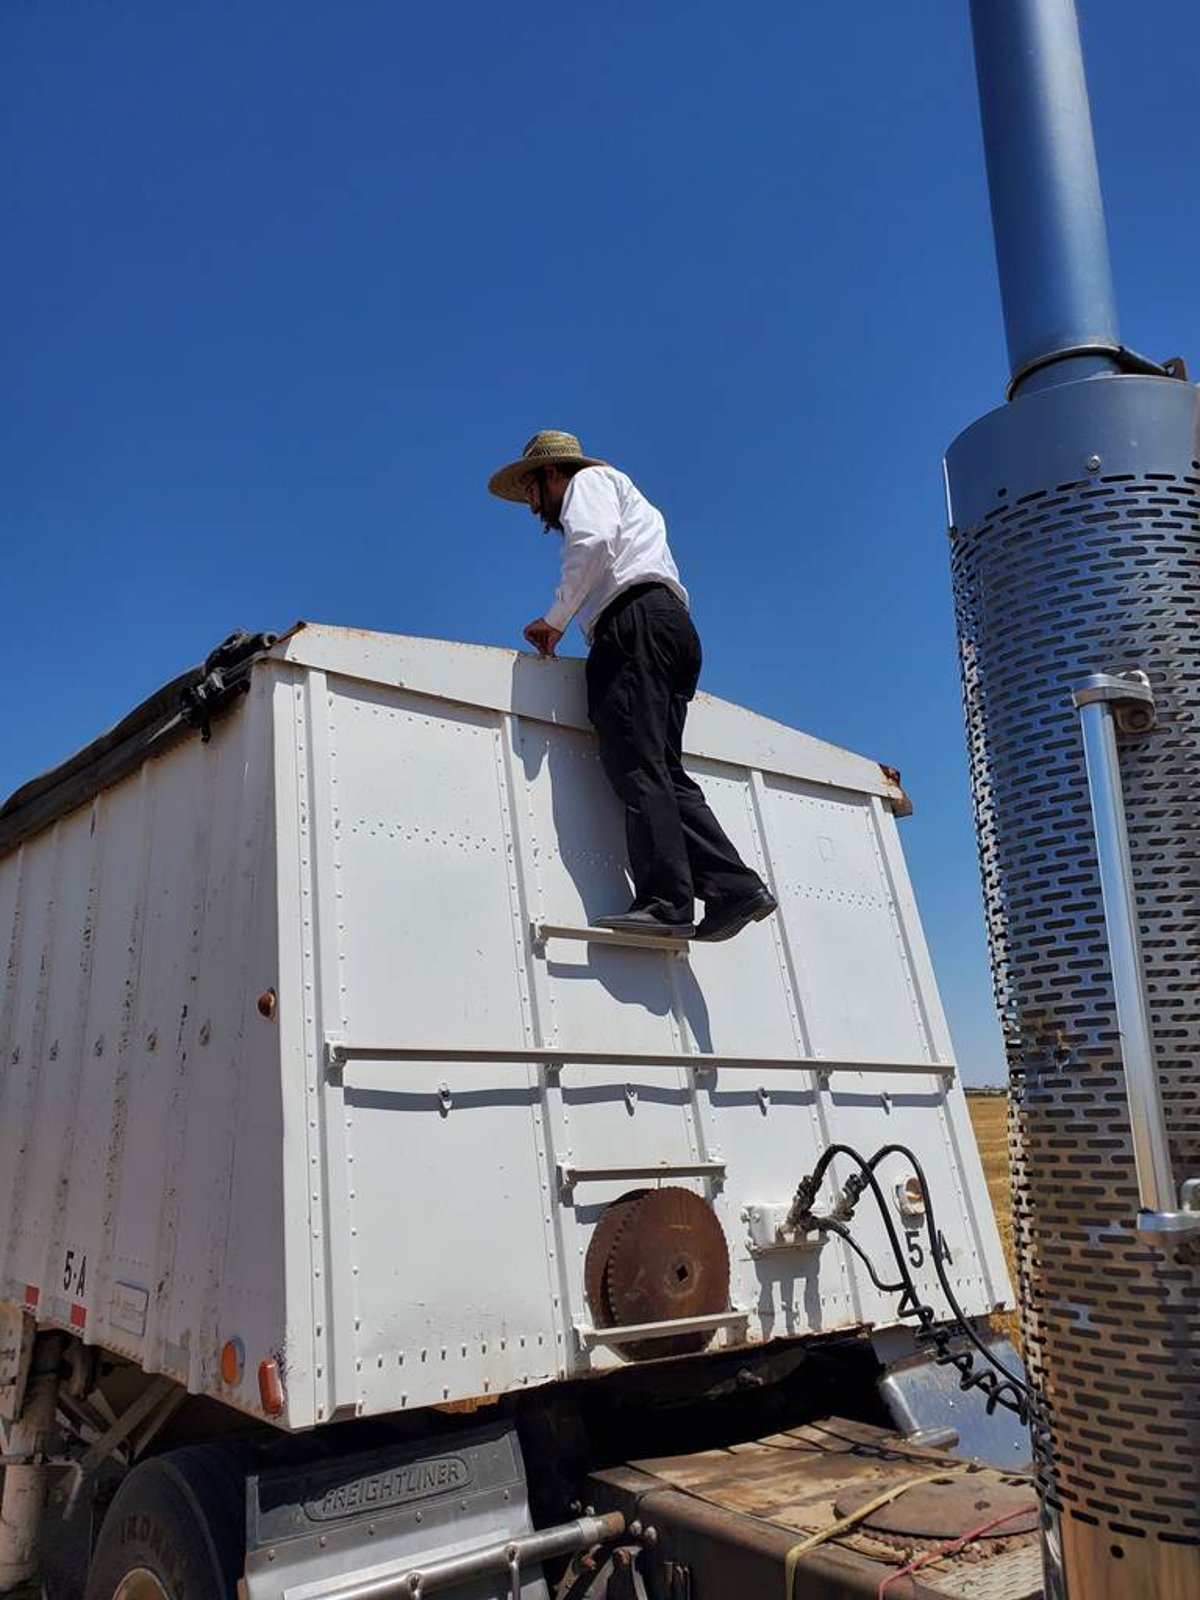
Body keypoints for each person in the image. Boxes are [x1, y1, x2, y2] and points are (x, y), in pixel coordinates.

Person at [488, 429, 777, 942]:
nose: (533, 507)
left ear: (553, 474)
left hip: (634, 624)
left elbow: (593, 542)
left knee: (636, 764)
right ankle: (733, 887)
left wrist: (556, 618)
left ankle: (667, 901)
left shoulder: (590, 482)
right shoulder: (628, 496)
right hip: (669, 626)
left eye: (532, 492)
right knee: (663, 769)